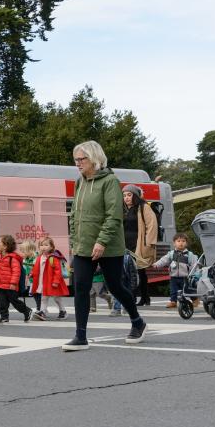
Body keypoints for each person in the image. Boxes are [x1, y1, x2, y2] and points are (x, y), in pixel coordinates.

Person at [63, 140, 146, 350]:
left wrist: (101, 241)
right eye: (76, 159)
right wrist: (74, 240)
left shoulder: (110, 181)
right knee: (80, 288)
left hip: (108, 247)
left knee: (116, 286)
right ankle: (80, 336)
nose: (78, 163)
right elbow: (74, 215)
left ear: (94, 159)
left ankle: (137, 321)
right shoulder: (79, 182)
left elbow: (113, 215)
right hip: (83, 246)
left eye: (82, 159)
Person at [121, 184, 158, 306]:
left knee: (140, 272)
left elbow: (151, 225)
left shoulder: (143, 207)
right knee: (126, 271)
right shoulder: (122, 209)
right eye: (124, 195)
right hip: (124, 244)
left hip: (139, 244)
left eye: (129, 195)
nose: (126, 198)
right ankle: (131, 296)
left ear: (135, 196)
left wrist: (149, 243)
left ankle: (144, 297)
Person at [150, 232, 199, 308]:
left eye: (183, 241)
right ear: (174, 243)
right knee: (173, 290)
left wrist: (194, 274)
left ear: (186, 243)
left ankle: (195, 299)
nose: (181, 243)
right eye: (178, 241)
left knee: (187, 290)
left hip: (185, 277)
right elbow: (164, 260)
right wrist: (157, 264)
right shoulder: (171, 254)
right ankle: (173, 301)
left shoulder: (189, 255)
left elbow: (194, 265)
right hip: (173, 276)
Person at [30, 237, 69, 320]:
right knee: (44, 297)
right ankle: (43, 312)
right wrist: (32, 273)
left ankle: (63, 311)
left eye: (46, 245)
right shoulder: (40, 257)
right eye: (41, 245)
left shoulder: (53, 257)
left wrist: (56, 281)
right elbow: (36, 268)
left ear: (51, 247)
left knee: (57, 298)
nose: (43, 247)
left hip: (52, 282)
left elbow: (57, 271)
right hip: (43, 281)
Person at [18, 239, 42, 312]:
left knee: (39, 294)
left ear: (30, 250)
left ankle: (40, 308)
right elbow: (26, 272)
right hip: (32, 281)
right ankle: (40, 308)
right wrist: (25, 282)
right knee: (35, 294)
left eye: (23, 251)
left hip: (39, 281)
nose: (21, 253)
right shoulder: (26, 260)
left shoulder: (36, 258)